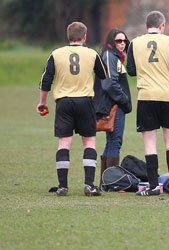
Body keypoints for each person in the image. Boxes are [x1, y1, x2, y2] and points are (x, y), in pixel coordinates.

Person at [37, 21, 108, 196]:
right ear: (85, 37)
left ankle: (63, 187)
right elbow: (104, 74)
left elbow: (46, 81)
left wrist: (42, 102)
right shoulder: (92, 53)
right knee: (89, 142)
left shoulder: (56, 54)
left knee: (64, 143)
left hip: (64, 102)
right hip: (85, 101)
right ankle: (89, 185)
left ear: (68, 36)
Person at [127, 11, 169, 196]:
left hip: (147, 96)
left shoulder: (135, 43)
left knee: (150, 142)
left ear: (147, 26)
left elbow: (131, 70)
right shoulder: (168, 41)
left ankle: (153, 186)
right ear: (162, 26)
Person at [93, 28, 133, 182]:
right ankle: (111, 182)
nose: (122, 44)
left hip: (114, 105)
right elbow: (109, 83)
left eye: (124, 41)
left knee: (112, 141)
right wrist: (124, 100)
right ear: (111, 42)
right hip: (113, 106)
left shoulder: (115, 56)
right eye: (118, 41)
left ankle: (105, 181)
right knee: (115, 141)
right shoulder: (109, 56)